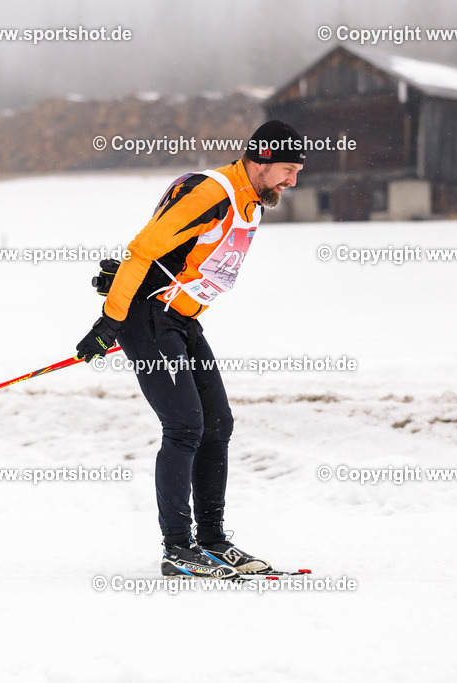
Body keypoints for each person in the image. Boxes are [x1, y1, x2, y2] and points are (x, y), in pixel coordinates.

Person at [75, 120, 306, 579]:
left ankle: (213, 542)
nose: (292, 181)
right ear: (260, 160)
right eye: (286, 169)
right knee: (184, 427)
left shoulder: (250, 203)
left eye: (297, 171)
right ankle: (178, 548)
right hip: (146, 317)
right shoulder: (214, 191)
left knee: (218, 424)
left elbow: (186, 260)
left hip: (180, 319)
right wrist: (111, 322)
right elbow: (143, 250)